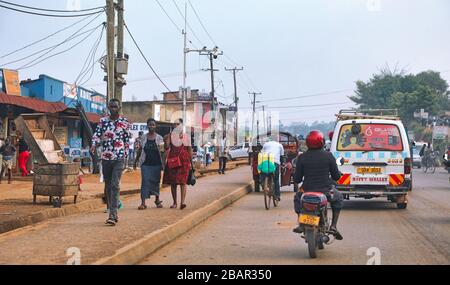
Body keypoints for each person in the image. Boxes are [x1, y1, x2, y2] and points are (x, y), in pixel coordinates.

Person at [293, 130, 344, 240]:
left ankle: (301, 223)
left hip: (306, 191)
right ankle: (334, 226)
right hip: (325, 191)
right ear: (322, 142)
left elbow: (296, 179)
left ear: (307, 143)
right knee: (339, 198)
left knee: (297, 199)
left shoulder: (302, 157)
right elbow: (336, 177)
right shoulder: (328, 156)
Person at [91, 99, 131, 226]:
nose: (113, 109)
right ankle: (111, 208)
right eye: (111, 106)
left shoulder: (124, 122)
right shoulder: (103, 121)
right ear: (108, 107)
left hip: (119, 158)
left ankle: (113, 215)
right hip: (106, 158)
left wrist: (126, 157)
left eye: (115, 107)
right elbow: (97, 135)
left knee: (115, 185)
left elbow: (126, 141)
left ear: (119, 108)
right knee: (108, 185)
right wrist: (93, 145)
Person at [162, 118, 192, 210]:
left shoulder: (186, 136)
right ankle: (174, 202)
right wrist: (167, 139)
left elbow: (189, 149)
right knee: (173, 182)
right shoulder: (170, 136)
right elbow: (166, 147)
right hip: (173, 160)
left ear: (181, 125)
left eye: (177, 124)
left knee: (183, 182)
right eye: (174, 124)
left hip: (184, 161)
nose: (175, 126)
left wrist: (191, 163)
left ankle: (182, 202)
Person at [137, 118, 165, 210]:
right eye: (149, 125)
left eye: (153, 125)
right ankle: (143, 203)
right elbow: (140, 149)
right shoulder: (143, 137)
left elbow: (162, 152)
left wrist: (163, 164)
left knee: (156, 182)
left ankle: (157, 200)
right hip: (145, 164)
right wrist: (135, 161)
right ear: (147, 126)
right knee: (145, 182)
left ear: (155, 126)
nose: (151, 126)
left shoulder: (160, 138)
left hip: (156, 164)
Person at [261, 133, 285, 201]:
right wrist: (282, 163)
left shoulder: (266, 144)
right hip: (275, 163)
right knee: (276, 179)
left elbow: (262, 153)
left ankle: (264, 185)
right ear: (276, 139)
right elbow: (281, 156)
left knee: (263, 173)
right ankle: (277, 195)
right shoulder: (279, 145)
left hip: (266, 162)